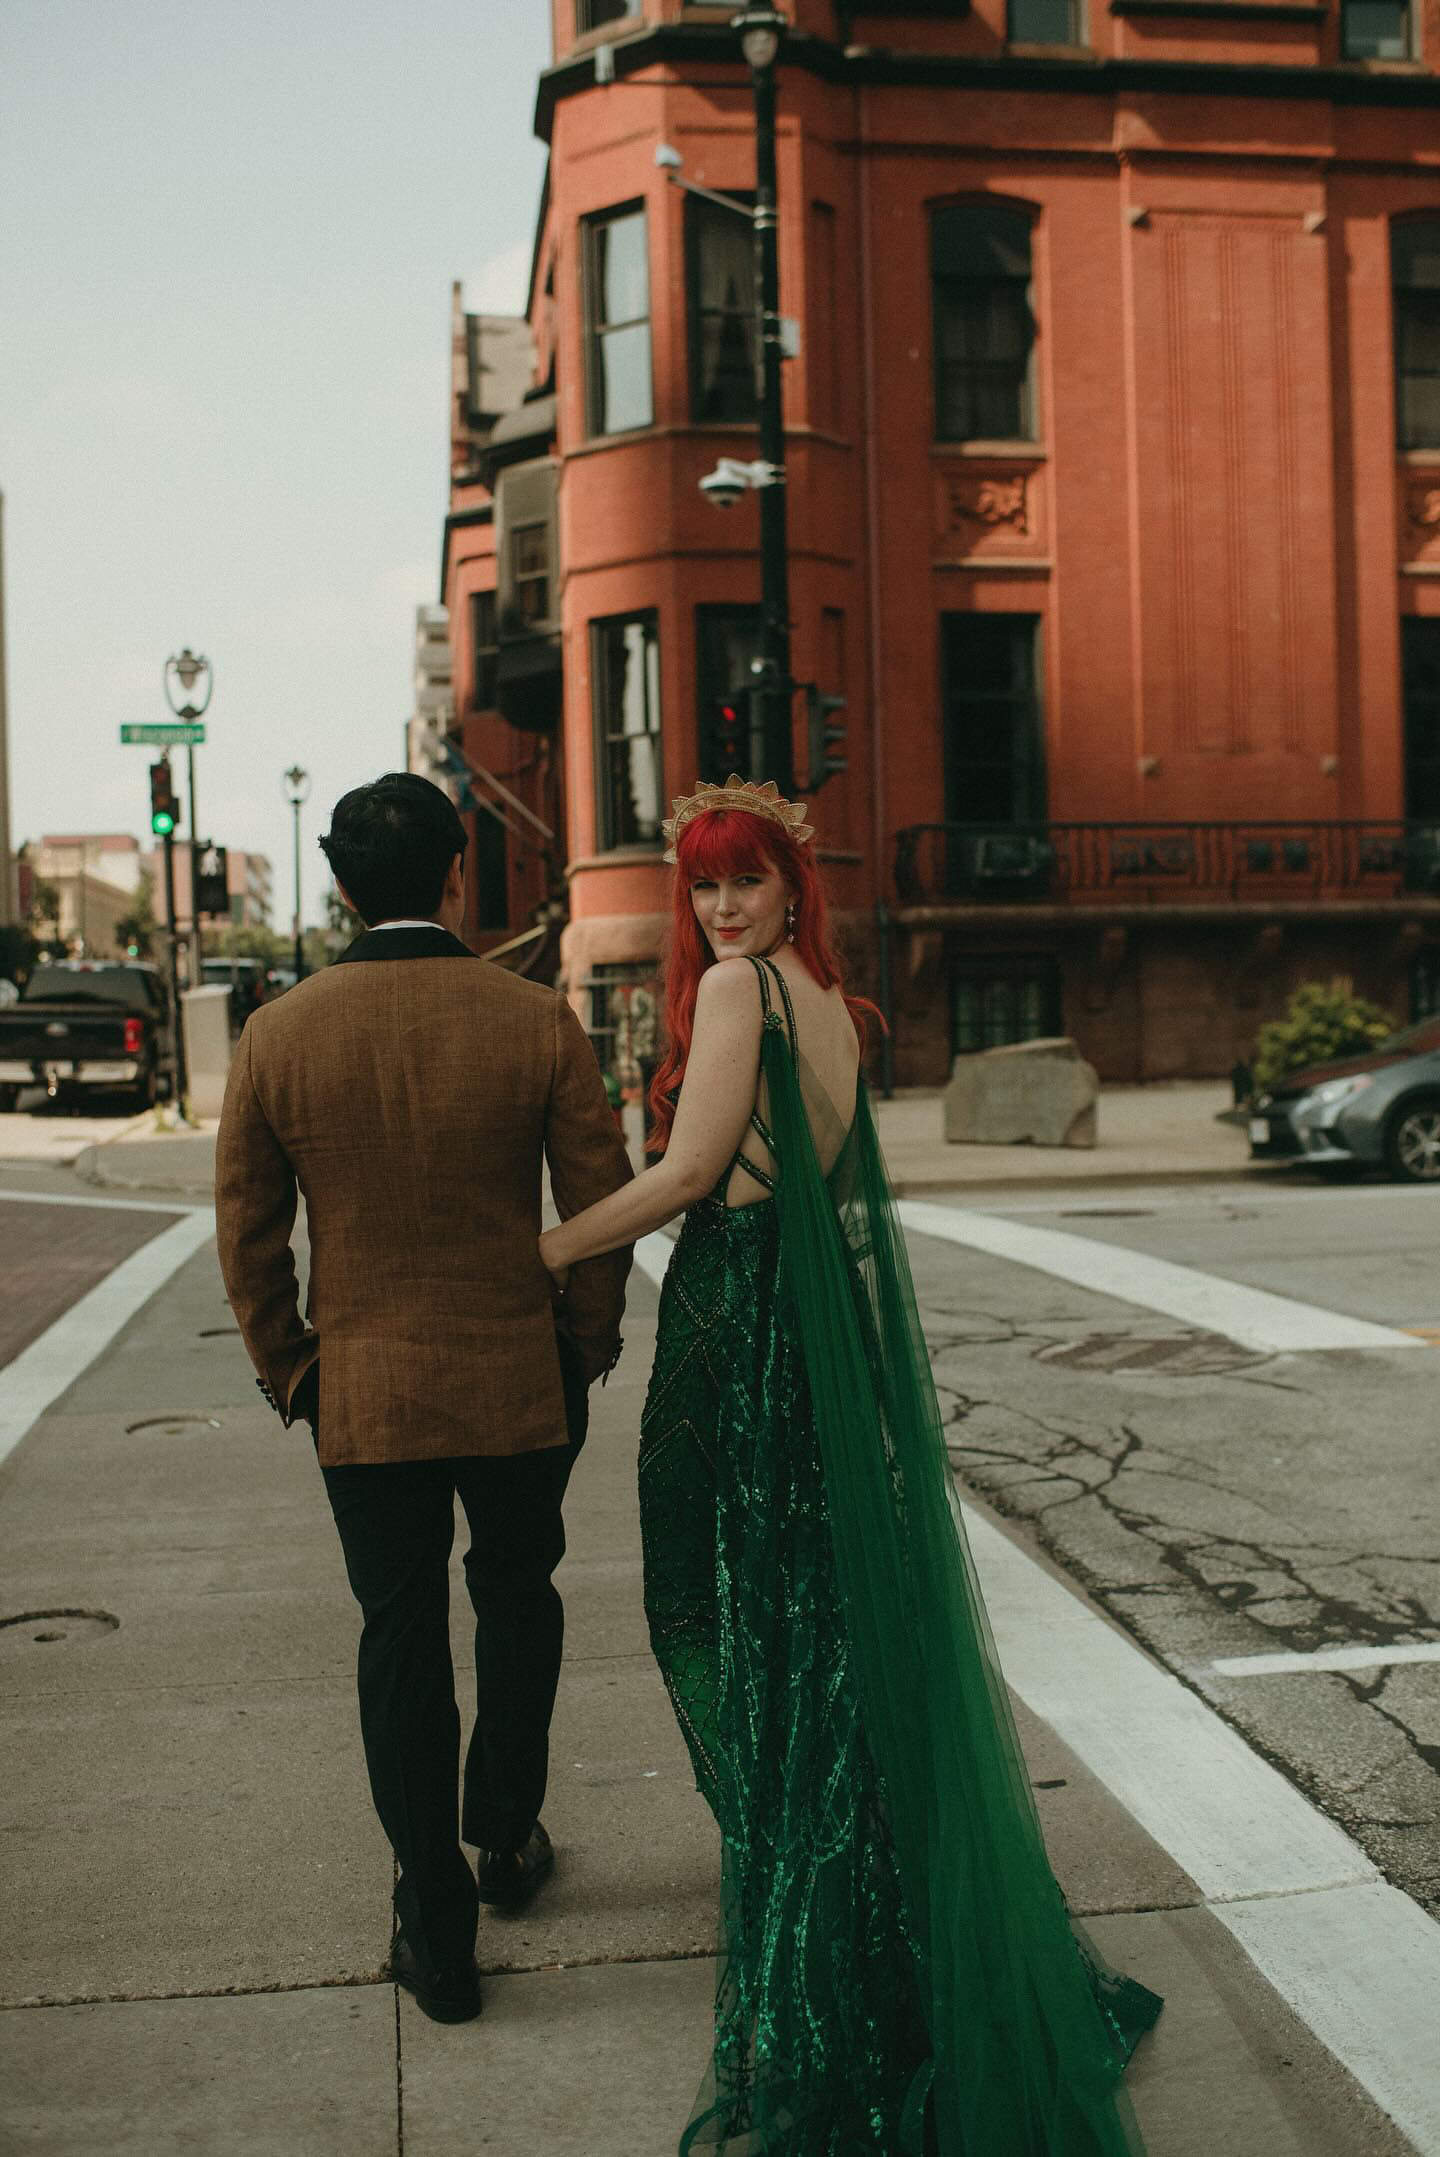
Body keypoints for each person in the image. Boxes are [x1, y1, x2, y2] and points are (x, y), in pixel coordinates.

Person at [539, 775, 1162, 2155]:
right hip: (804, 1347)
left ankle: (790, 1887)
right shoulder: (835, 1008)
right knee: (809, 1628)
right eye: (701, 886)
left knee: (700, 1611)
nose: (719, 906)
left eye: (743, 879)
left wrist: (549, 1245)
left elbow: (693, 1173)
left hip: (733, 1322)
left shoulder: (749, 993)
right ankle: (841, 1888)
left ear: (789, 884)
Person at [215, 772, 631, 2027]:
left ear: (341, 885)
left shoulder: (278, 1034)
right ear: (458, 872)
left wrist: (293, 1364)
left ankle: (431, 1914)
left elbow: (248, 1231)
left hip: (366, 1394)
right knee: (517, 1596)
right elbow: (598, 1197)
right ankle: (504, 1835)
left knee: (397, 1631)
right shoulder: (534, 1020)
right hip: (518, 1375)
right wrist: (587, 1342)